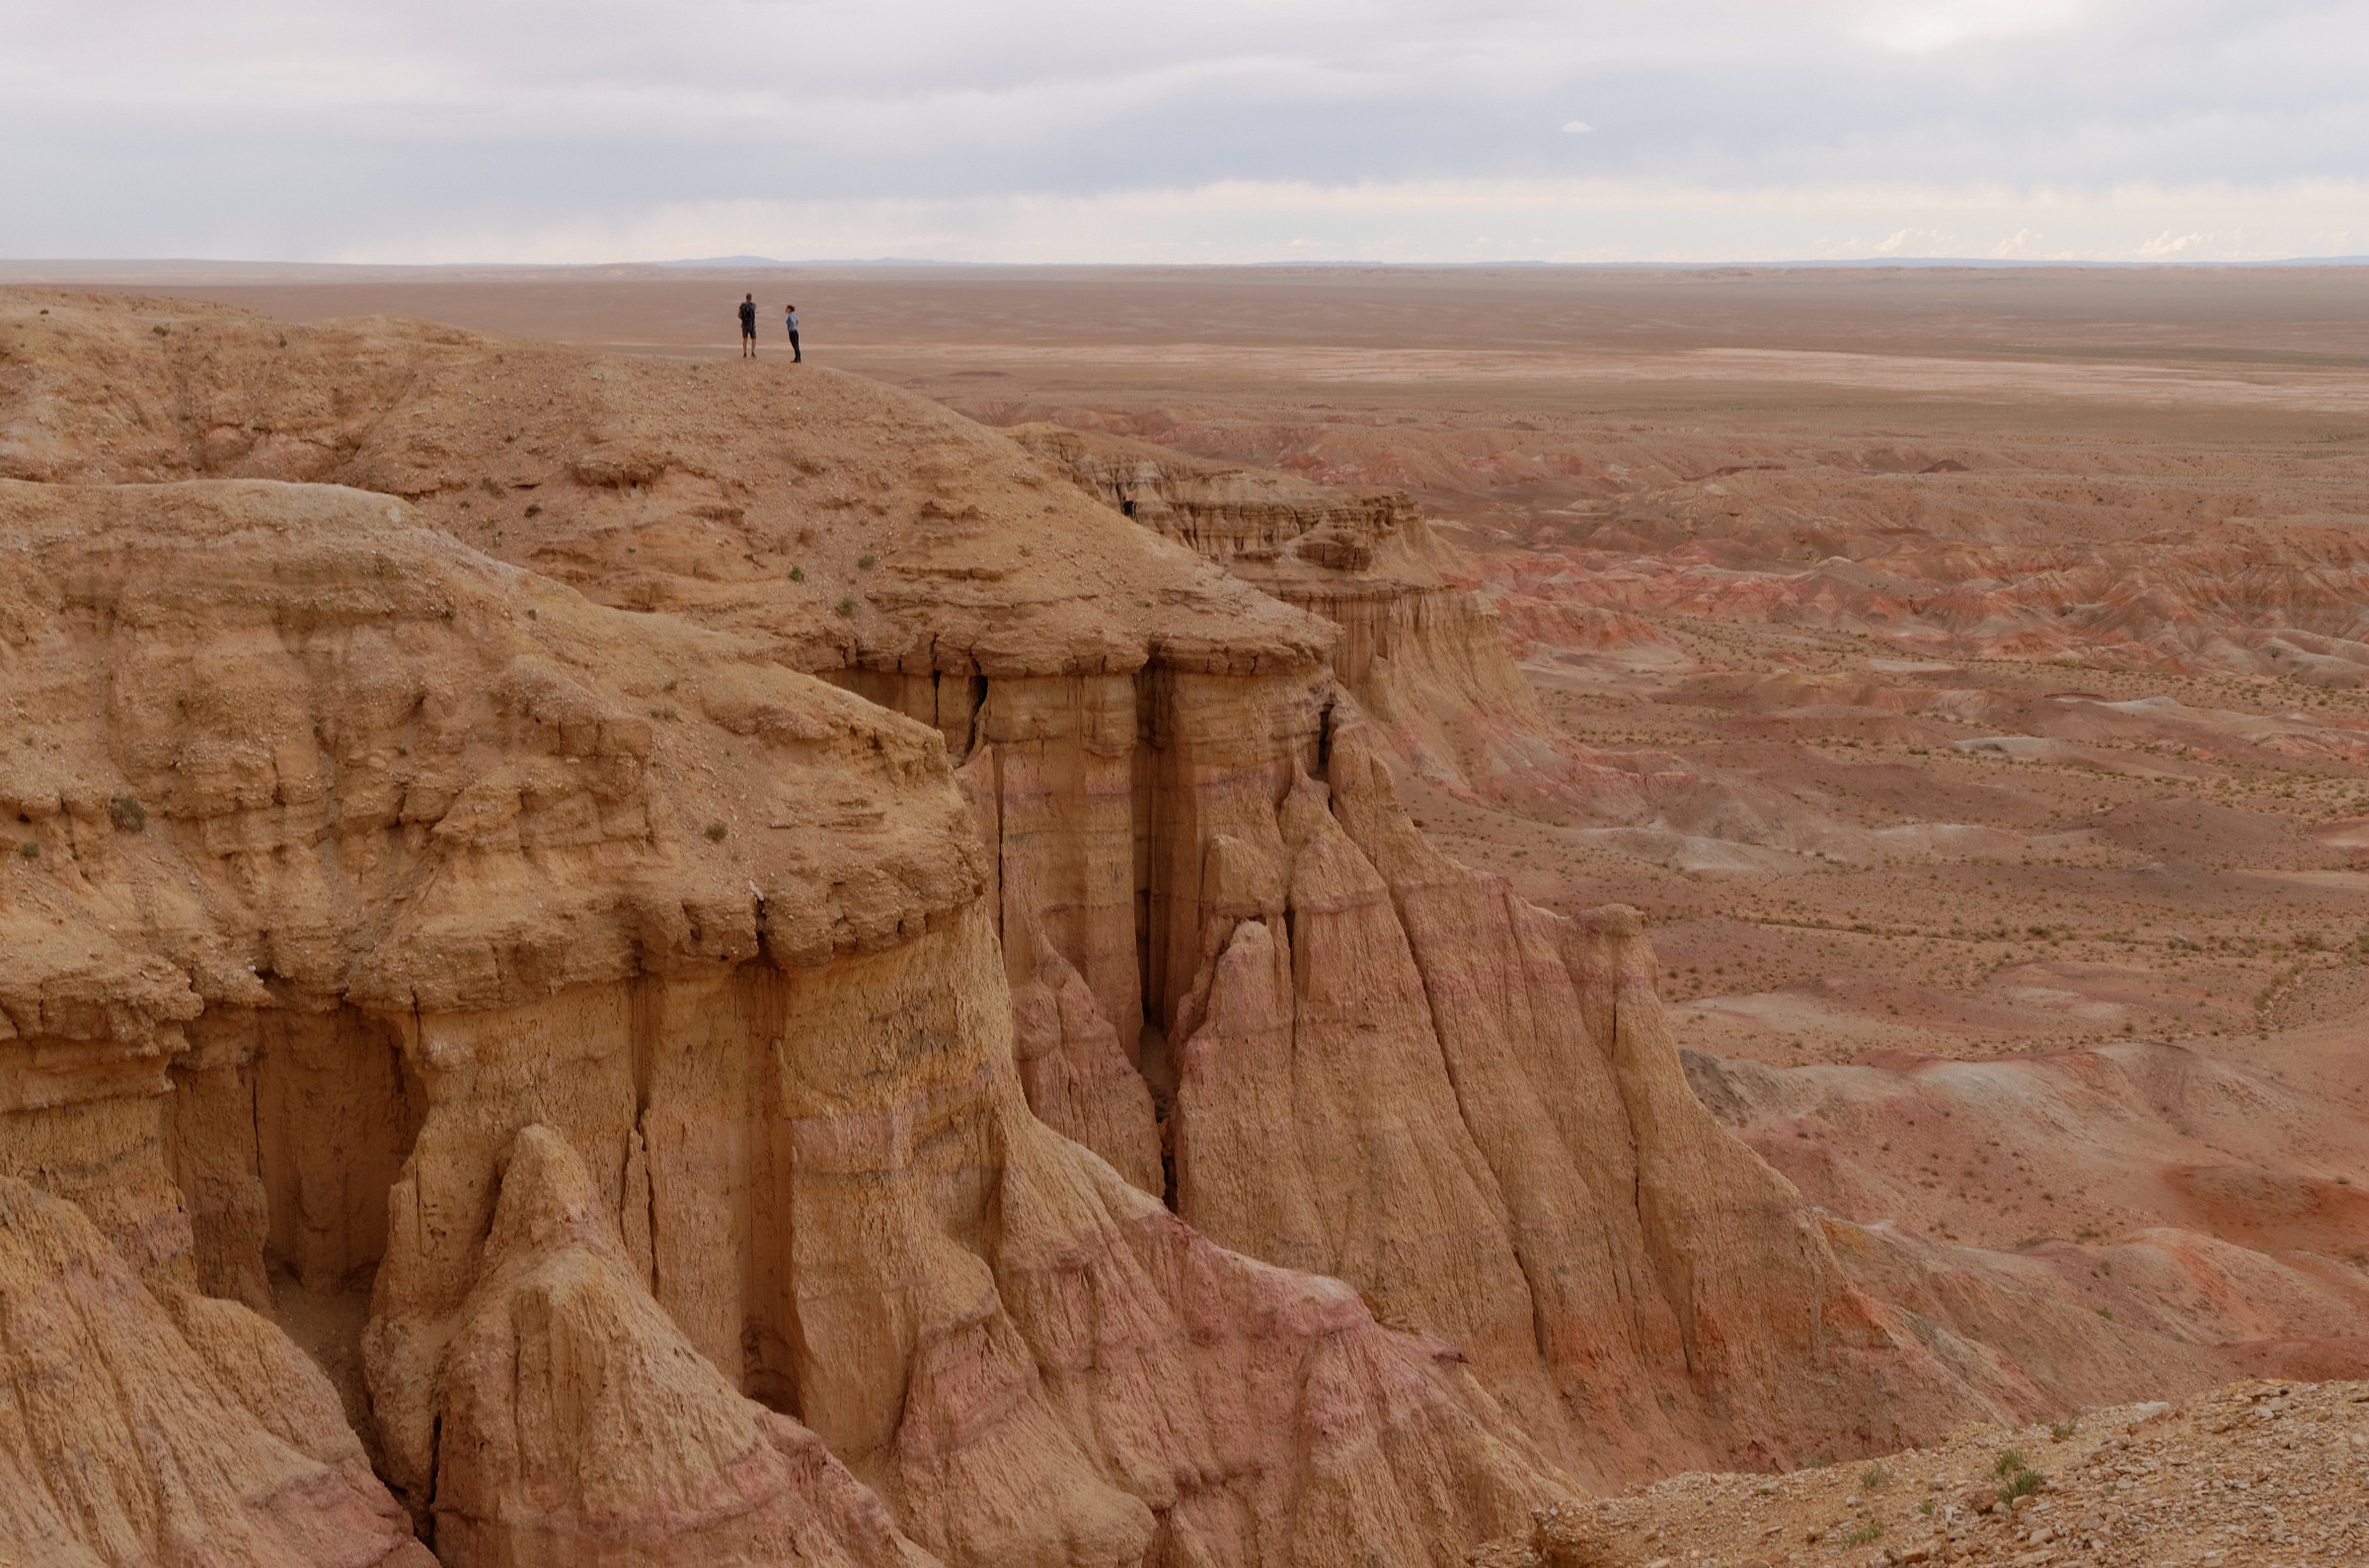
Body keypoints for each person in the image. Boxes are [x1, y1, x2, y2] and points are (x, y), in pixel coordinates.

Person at [737, 293, 757, 357]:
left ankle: (745, 353)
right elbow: (754, 312)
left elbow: (738, 314)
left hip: (744, 324)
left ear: (746, 297)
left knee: (745, 339)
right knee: (753, 338)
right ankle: (753, 352)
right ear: (751, 298)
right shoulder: (753, 305)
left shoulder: (742, 305)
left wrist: (743, 319)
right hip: (751, 324)